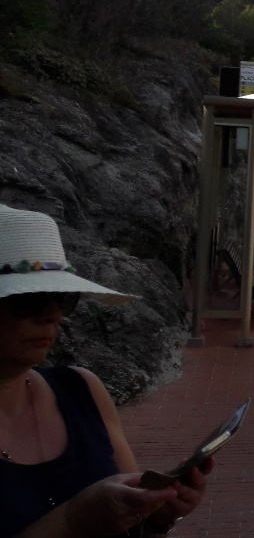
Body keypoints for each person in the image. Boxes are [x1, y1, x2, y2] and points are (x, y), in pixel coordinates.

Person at [0, 205, 213, 538]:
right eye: (30, 299)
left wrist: (157, 514)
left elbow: (133, 522)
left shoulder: (82, 391)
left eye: (62, 298)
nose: (52, 315)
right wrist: (73, 521)